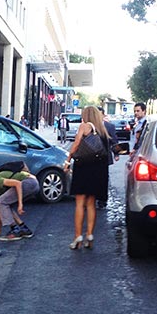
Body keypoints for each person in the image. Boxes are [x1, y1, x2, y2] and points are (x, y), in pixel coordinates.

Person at [63, 105, 110, 249]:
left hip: (84, 168)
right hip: (98, 170)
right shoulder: (103, 130)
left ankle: (77, 236)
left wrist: (68, 160)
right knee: (91, 204)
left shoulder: (85, 126)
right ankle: (90, 234)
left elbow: (77, 144)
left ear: (86, 115)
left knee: (79, 203)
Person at [96, 107, 120, 209]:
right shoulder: (89, 126)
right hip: (91, 157)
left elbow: (114, 141)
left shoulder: (109, 126)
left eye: (99, 114)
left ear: (103, 115)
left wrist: (116, 154)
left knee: (103, 179)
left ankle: (102, 200)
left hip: (104, 157)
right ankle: (92, 198)